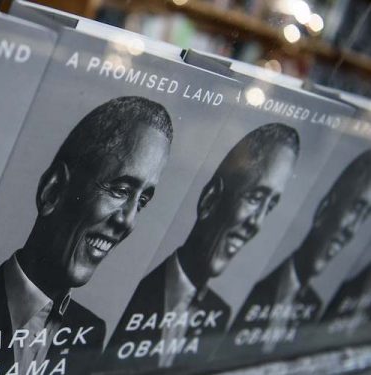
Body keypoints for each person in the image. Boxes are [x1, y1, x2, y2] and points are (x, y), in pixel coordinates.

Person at [0, 96, 173, 375]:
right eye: (120, 190)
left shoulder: (90, 332)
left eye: (141, 201)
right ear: (52, 190)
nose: (128, 221)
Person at [98, 123, 300, 374]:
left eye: (269, 207)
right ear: (210, 199)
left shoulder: (219, 314)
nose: (256, 223)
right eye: (255, 198)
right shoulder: (129, 300)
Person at [226, 149, 371, 357]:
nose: (353, 230)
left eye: (365, 217)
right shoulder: (248, 296)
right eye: (356, 209)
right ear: (324, 208)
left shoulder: (315, 306)